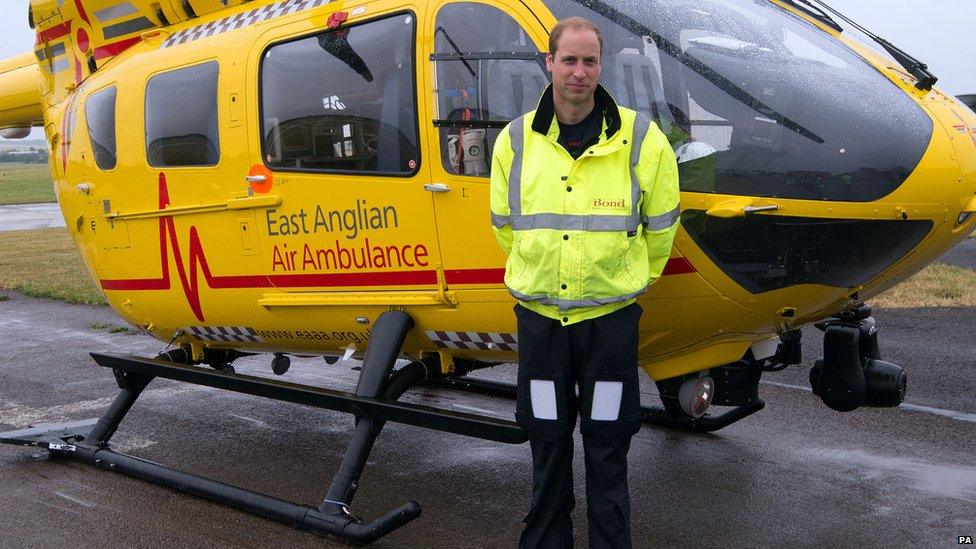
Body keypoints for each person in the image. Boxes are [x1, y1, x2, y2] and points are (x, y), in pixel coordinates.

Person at [489, 16, 680, 549]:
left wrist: (622, 281)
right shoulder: (514, 142)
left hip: (609, 328)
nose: (579, 72)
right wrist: (546, 277)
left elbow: (662, 231)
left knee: (607, 444)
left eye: (589, 61)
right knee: (547, 443)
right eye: (569, 60)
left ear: (602, 66)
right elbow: (506, 227)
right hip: (543, 326)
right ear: (548, 63)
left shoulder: (643, 140)